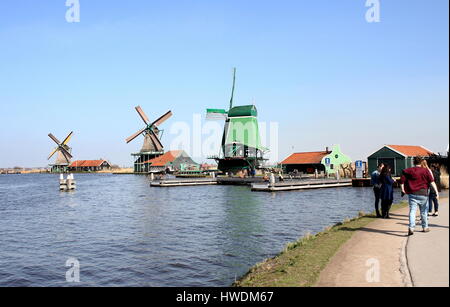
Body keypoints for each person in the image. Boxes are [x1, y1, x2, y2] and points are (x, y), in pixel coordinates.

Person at [400, 157, 439, 236]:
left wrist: (402, 189)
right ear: (421, 162)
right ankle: (425, 227)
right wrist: (436, 192)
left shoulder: (409, 170)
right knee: (424, 211)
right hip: (423, 194)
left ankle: (411, 228)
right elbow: (432, 182)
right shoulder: (425, 171)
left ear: (413, 162)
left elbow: (402, 180)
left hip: (412, 194)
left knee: (412, 211)